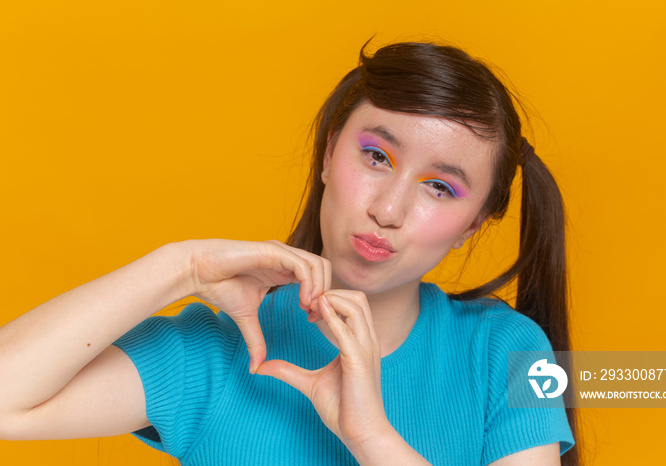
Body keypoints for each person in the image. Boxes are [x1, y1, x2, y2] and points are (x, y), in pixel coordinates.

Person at [0, 42, 577, 465]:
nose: (389, 210)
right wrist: (181, 267)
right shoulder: (214, 350)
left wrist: (372, 437)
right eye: (377, 157)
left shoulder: (509, 352)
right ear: (329, 155)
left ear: (472, 226)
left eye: (440, 188)